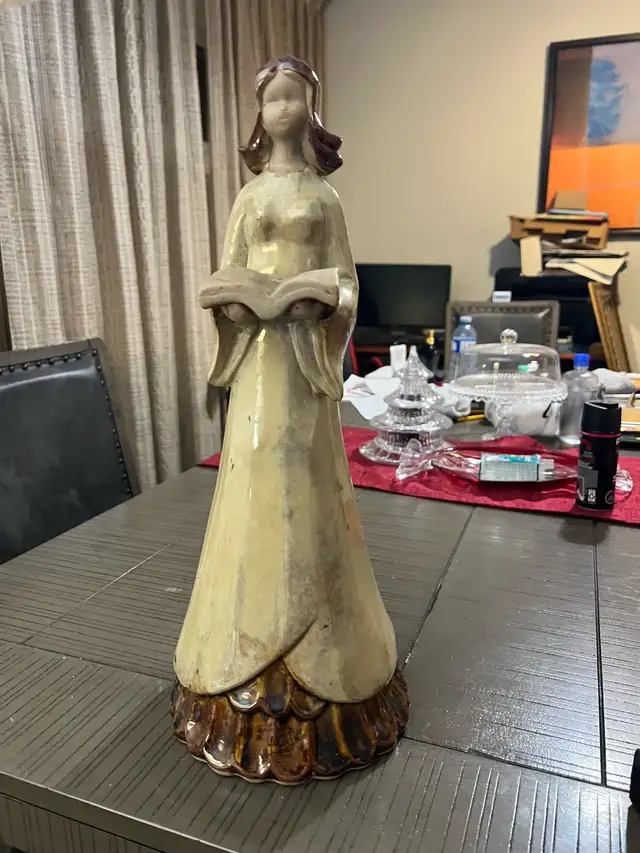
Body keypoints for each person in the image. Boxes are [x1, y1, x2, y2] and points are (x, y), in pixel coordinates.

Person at [172, 56, 407, 784]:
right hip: (257, 368)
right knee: (249, 476)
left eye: (292, 97)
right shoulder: (249, 197)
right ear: (259, 111)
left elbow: (348, 282)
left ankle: (329, 642)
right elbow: (225, 273)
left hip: (304, 366)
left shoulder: (324, 198)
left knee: (306, 474)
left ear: (310, 109)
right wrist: (237, 302)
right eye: (270, 98)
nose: (280, 109)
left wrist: (321, 299)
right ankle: (235, 645)